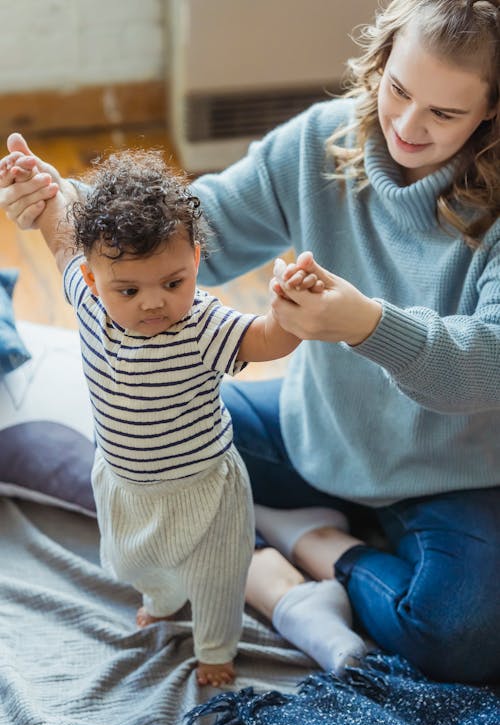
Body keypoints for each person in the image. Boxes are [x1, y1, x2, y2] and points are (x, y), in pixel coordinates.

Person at [1, 0, 499, 684]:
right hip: (315, 427)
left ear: (492, 113)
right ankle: (276, 557)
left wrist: (367, 326)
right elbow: (189, 232)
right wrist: (62, 202)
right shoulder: (323, 140)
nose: (408, 127)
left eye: (444, 114)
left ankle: (319, 547)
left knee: (462, 639)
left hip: (455, 469)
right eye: (399, 91)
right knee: (142, 443)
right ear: (380, 64)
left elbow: (489, 366)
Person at [1, 147, 319, 688]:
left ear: (195, 261)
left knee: (218, 578)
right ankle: (162, 598)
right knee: (135, 561)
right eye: (129, 289)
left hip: (205, 489)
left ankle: (217, 646)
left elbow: (264, 340)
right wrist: (42, 186)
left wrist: (290, 310)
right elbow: (61, 240)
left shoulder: (202, 325)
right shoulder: (87, 297)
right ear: (95, 280)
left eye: (172, 283)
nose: (154, 303)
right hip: (125, 483)